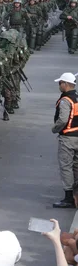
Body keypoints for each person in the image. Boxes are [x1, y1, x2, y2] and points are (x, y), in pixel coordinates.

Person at [51, 72, 78, 208]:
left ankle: (69, 198)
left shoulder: (65, 101)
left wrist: (55, 129)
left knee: (66, 166)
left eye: (60, 83)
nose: (59, 85)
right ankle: (76, 195)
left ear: (66, 84)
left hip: (67, 138)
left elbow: (62, 119)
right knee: (76, 166)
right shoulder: (76, 98)